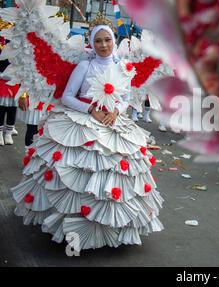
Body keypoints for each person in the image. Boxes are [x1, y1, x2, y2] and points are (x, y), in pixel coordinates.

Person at [10, 19, 164, 250]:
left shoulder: (123, 67)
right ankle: (71, 226)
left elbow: (125, 99)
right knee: (76, 174)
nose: (104, 45)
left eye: (108, 40)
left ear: (114, 40)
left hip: (113, 122)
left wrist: (115, 112)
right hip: (82, 121)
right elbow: (67, 97)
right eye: (99, 41)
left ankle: (110, 227)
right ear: (92, 44)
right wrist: (91, 110)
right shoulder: (84, 66)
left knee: (117, 177)